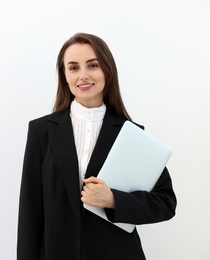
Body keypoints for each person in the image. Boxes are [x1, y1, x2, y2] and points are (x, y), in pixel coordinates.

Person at [17, 33, 177, 260]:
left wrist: (113, 200)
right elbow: (29, 213)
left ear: (107, 71)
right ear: (64, 76)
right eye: (73, 68)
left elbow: (165, 202)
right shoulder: (41, 132)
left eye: (92, 65)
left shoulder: (130, 133)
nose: (83, 75)